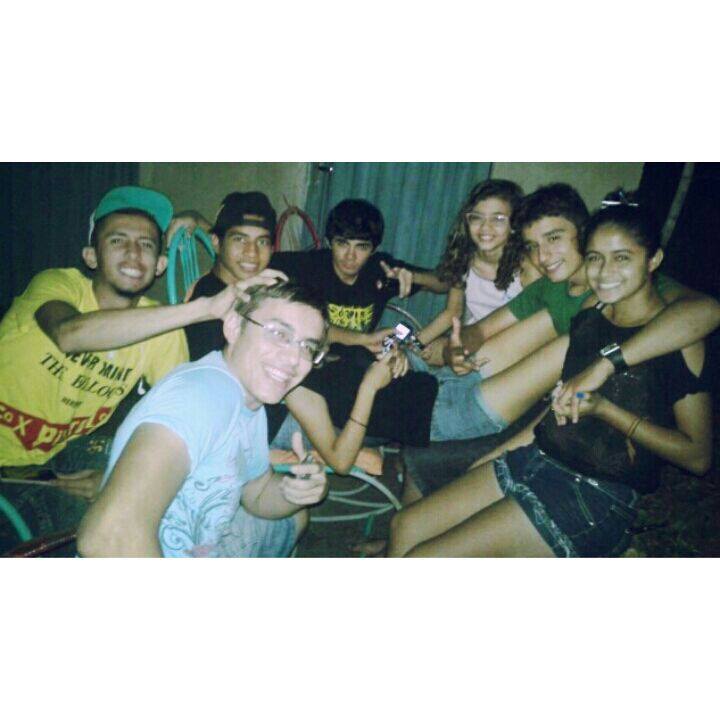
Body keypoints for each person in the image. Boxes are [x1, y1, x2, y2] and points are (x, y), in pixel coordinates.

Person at [388, 202, 713, 557]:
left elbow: (697, 457)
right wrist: (494, 458)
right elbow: (555, 412)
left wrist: (605, 409)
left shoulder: (678, 336)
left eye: (622, 258)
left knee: (425, 559)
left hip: (594, 493)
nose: (605, 271)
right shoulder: (590, 315)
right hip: (537, 457)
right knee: (405, 525)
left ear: (653, 260)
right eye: (595, 258)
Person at [77, 281, 330, 558]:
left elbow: (256, 494)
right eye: (279, 333)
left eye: (308, 347)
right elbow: (108, 536)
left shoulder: (249, 402)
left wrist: (295, 491)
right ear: (234, 326)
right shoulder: (200, 395)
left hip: (201, 547)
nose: (294, 358)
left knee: (294, 517)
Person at [416, 179, 539, 351]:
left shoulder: (527, 268)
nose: (485, 227)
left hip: (513, 346)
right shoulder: (464, 259)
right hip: (471, 339)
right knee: (420, 353)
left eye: (498, 219)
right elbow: (452, 313)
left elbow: (536, 326)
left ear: (514, 224)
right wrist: (414, 344)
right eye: (477, 217)